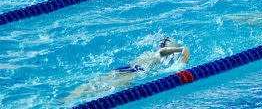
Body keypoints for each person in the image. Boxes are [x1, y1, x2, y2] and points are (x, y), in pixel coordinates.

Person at [61, 36, 190, 103]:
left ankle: (68, 97)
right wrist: (182, 49)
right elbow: (162, 52)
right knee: (104, 88)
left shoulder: (149, 53)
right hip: (134, 73)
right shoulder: (159, 55)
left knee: (94, 83)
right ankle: (74, 100)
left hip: (123, 69)